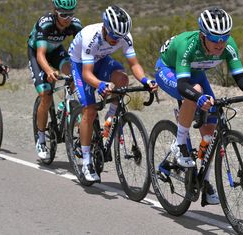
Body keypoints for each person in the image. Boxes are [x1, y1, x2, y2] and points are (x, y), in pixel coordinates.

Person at [154, 7, 243, 206]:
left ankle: (204, 181)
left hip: (196, 73)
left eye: (224, 38)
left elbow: (240, 77)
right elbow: (183, 85)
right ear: (202, 36)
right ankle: (179, 143)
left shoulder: (228, 45)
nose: (220, 44)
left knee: (210, 131)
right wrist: (197, 97)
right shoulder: (188, 45)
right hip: (169, 70)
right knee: (195, 92)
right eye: (215, 39)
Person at [69, 5, 157, 182]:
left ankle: (110, 119)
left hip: (101, 60)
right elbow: (87, 73)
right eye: (113, 37)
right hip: (81, 64)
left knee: (122, 80)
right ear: (105, 28)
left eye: (120, 38)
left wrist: (146, 81)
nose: (117, 41)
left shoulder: (124, 36)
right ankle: (86, 161)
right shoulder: (90, 36)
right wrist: (100, 84)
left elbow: (134, 64)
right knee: (90, 110)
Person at [27, 0, 82, 160]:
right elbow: (40, 55)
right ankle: (41, 138)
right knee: (45, 94)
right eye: (63, 15)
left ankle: (65, 104)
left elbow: (83, 50)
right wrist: (49, 70)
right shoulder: (46, 24)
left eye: (70, 14)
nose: (67, 19)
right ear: (55, 11)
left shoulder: (75, 25)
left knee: (74, 74)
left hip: (57, 51)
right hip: (38, 53)